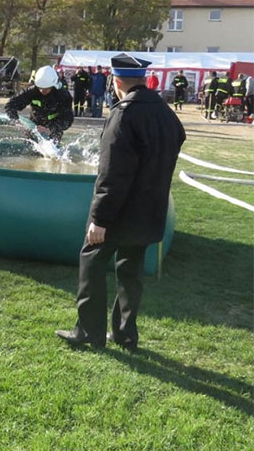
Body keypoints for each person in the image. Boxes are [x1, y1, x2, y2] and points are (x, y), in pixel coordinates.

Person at [55, 53, 185, 352]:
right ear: (142, 80)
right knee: (130, 272)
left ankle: (89, 331)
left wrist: (100, 219)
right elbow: (178, 138)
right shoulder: (164, 111)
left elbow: (113, 173)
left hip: (120, 212)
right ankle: (125, 334)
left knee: (91, 261)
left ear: (116, 82)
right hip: (151, 208)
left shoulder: (124, 113)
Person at [4, 66, 73, 143]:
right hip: (34, 126)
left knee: (52, 151)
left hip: (54, 127)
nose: (41, 91)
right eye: (40, 87)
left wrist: (50, 130)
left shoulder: (63, 96)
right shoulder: (32, 91)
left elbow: (68, 119)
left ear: (53, 86)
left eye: (46, 88)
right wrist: (19, 124)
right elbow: (10, 106)